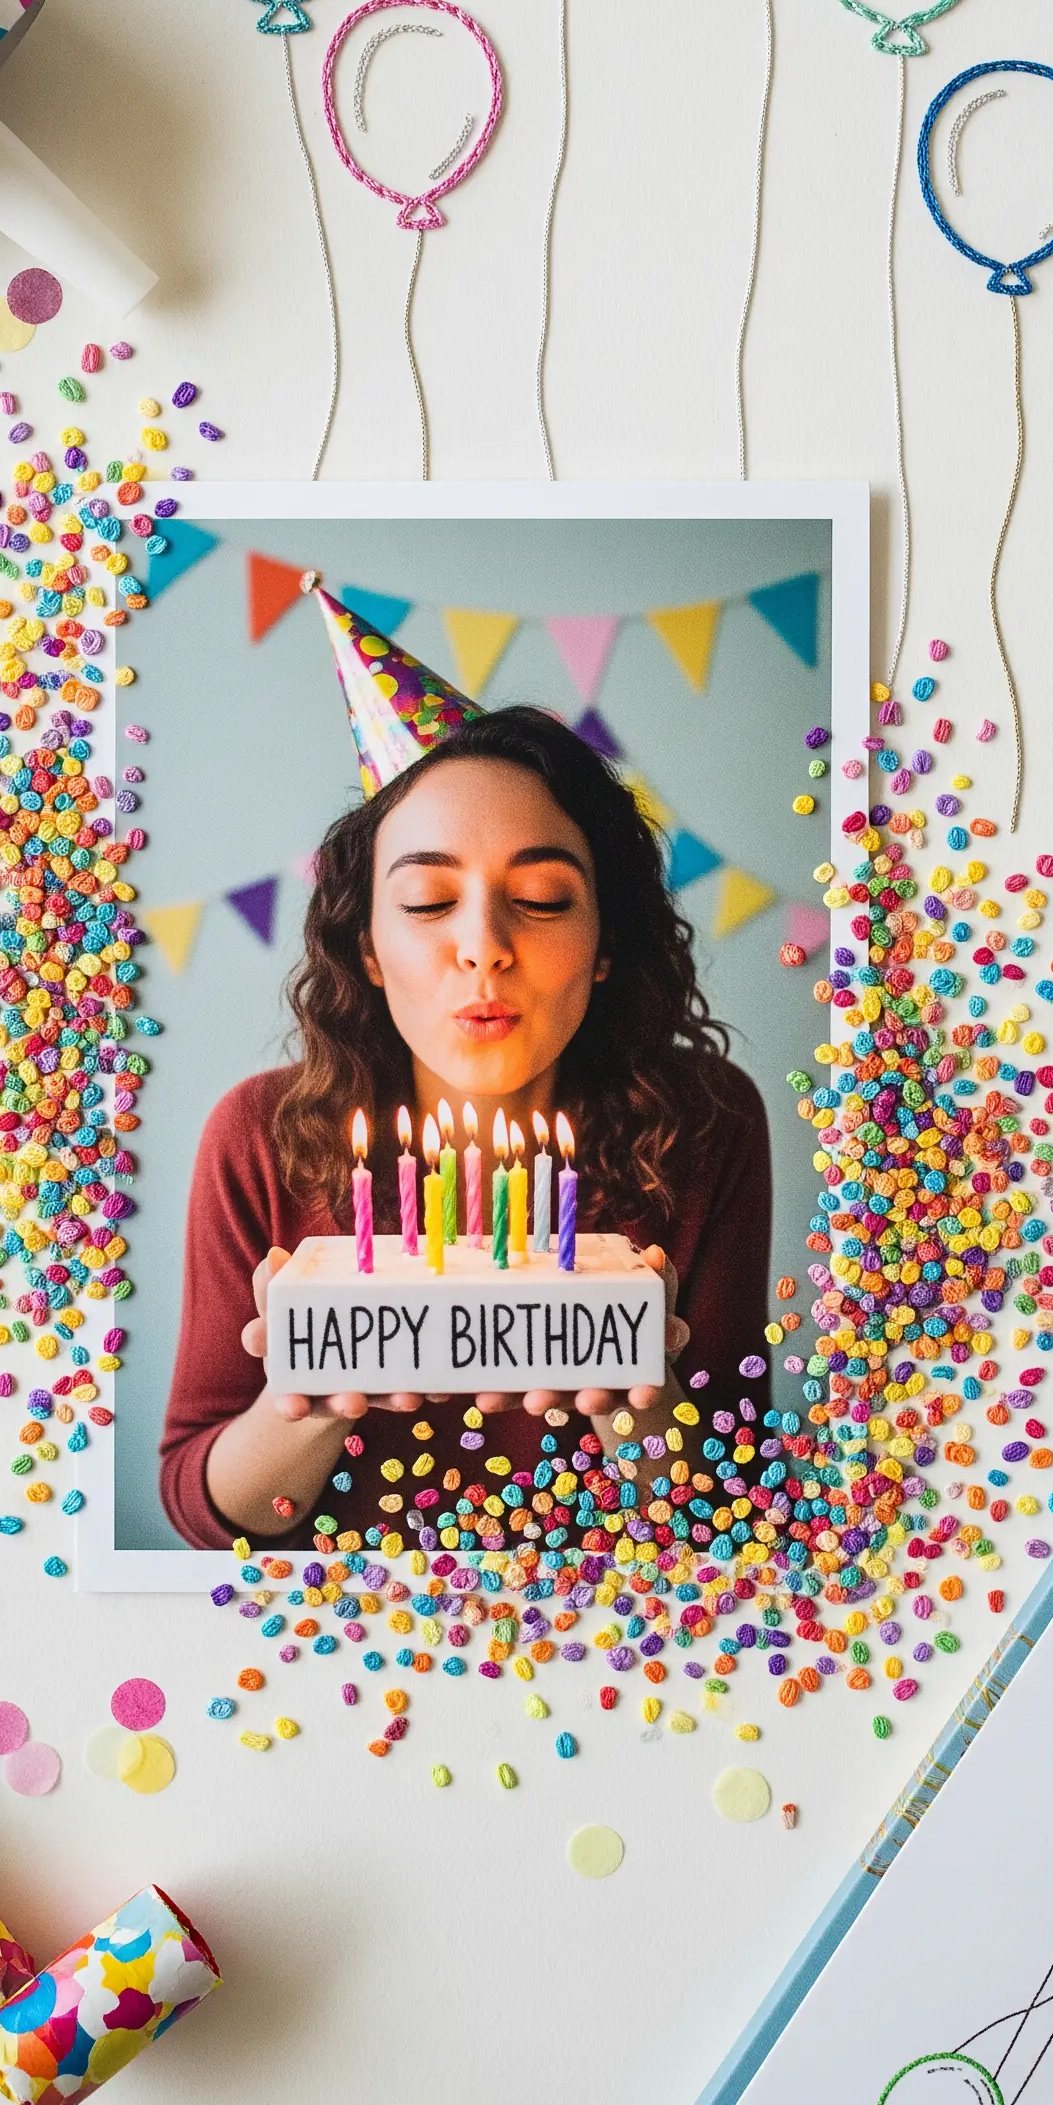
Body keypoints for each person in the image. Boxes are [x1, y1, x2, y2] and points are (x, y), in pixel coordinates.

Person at [159, 591, 772, 1555]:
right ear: (366, 945)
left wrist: (636, 1405)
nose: (482, 949)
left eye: (538, 898)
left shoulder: (702, 1124)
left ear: (604, 939)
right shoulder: (260, 1138)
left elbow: (739, 1511)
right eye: (429, 900)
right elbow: (207, 1519)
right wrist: (305, 1405)